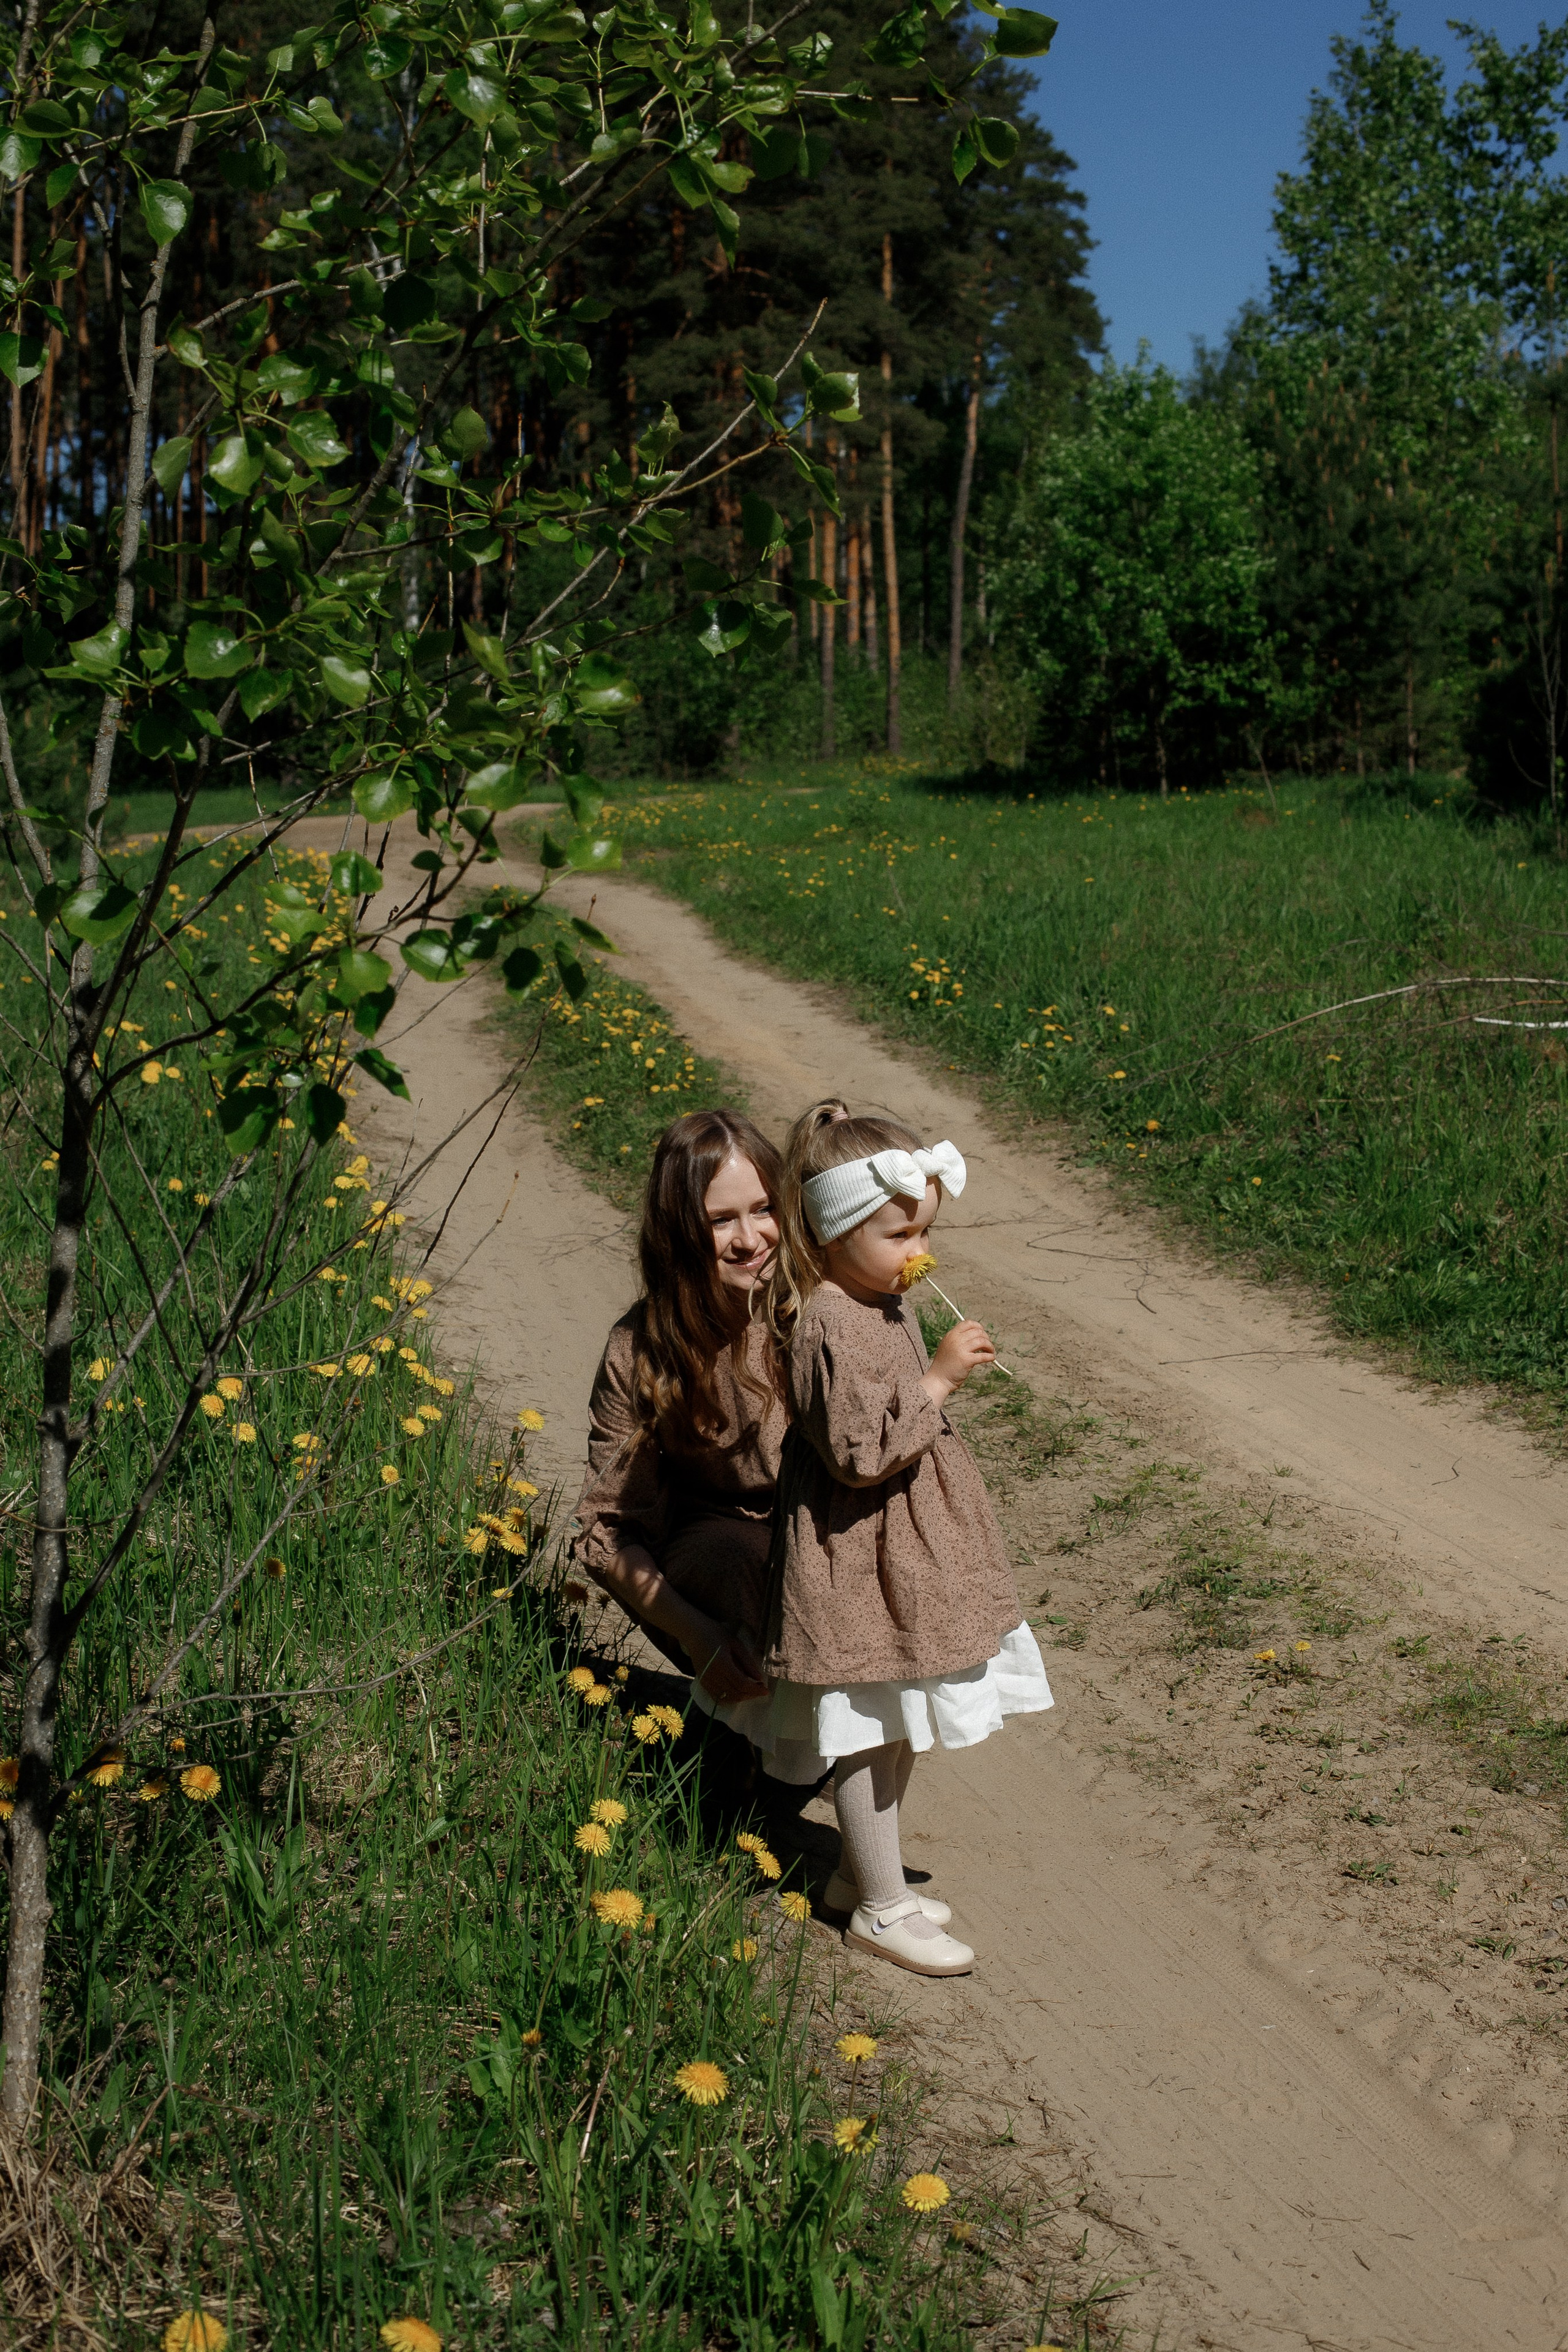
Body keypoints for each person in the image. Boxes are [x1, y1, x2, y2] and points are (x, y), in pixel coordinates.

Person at [758, 1107, 1054, 1977]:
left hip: (902, 1553)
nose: (916, 1249)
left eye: (924, 1230)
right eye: (899, 1232)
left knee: (900, 1722)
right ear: (832, 1230)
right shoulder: (828, 1321)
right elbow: (857, 1455)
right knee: (864, 1723)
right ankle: (881, 1910)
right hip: (857, 1556)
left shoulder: (878, 1299)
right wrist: (938, 1381)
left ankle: (860, 1876)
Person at [572, 1107, 786, 1712]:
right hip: (721, 1559)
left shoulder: (821, 1310)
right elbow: (606, 1528)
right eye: (721, 1220)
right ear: (678, 1231)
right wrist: (697, 1635)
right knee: (738, 1554)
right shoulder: (642, 1348)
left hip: (826, 1539)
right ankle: (756, 1731)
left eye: (764, 1209)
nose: (749, 1239)